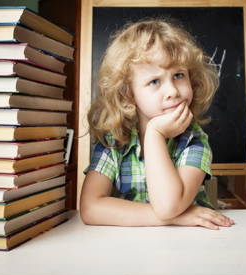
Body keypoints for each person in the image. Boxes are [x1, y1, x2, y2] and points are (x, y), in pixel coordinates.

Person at [80, 19, 235, 230]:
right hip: (128, 248)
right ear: (128, 93)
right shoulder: (113, 141)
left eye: (179, 75)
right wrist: (177, 218)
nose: (172, 90)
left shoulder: (194, 141)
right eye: (154, 81)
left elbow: (168, 206)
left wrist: (155, 135)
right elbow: (90, 208)